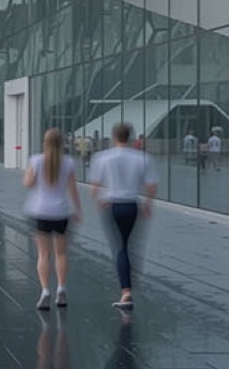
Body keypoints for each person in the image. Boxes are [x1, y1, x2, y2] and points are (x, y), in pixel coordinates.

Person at [89, 123, 158, 309]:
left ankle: (126, 290)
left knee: (119, 247)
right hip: (132, 205)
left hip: (111, 205)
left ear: (114, 137)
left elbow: (95, 185)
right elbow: (151, 185)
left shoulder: (103, 157)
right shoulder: (142, 158)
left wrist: (99, 200)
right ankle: (130, 282)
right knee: (131, 245)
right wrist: (149, 203)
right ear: (130, 137)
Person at [23, 127, 82, 309]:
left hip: (40, 211)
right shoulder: (69, 162)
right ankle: (61, 289)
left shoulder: (36, 160)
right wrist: (78, 209)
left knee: (43, 254)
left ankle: (45, 291)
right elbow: (73, 188)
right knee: (61, 254)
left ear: (45, 142)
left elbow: (28, 184)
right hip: (61, 211)